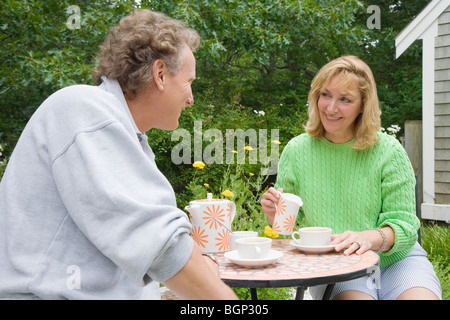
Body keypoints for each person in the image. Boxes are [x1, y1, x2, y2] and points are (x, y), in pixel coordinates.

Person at [0, 10, 237, 300]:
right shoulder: (85, 109)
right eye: (189, 82)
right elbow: (159, 243)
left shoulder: (125, 134)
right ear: (160, 74)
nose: (191, 98)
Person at [261, 56, 442, 300]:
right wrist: (277, 217)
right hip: (336, 264)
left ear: (363, 106)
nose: (331, 108)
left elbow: (406, 227)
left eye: (345, 99)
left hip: (396, 262)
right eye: (325, 95)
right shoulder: (297, 150)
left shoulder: (389, 151)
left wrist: (369, 237)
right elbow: (290, 227)